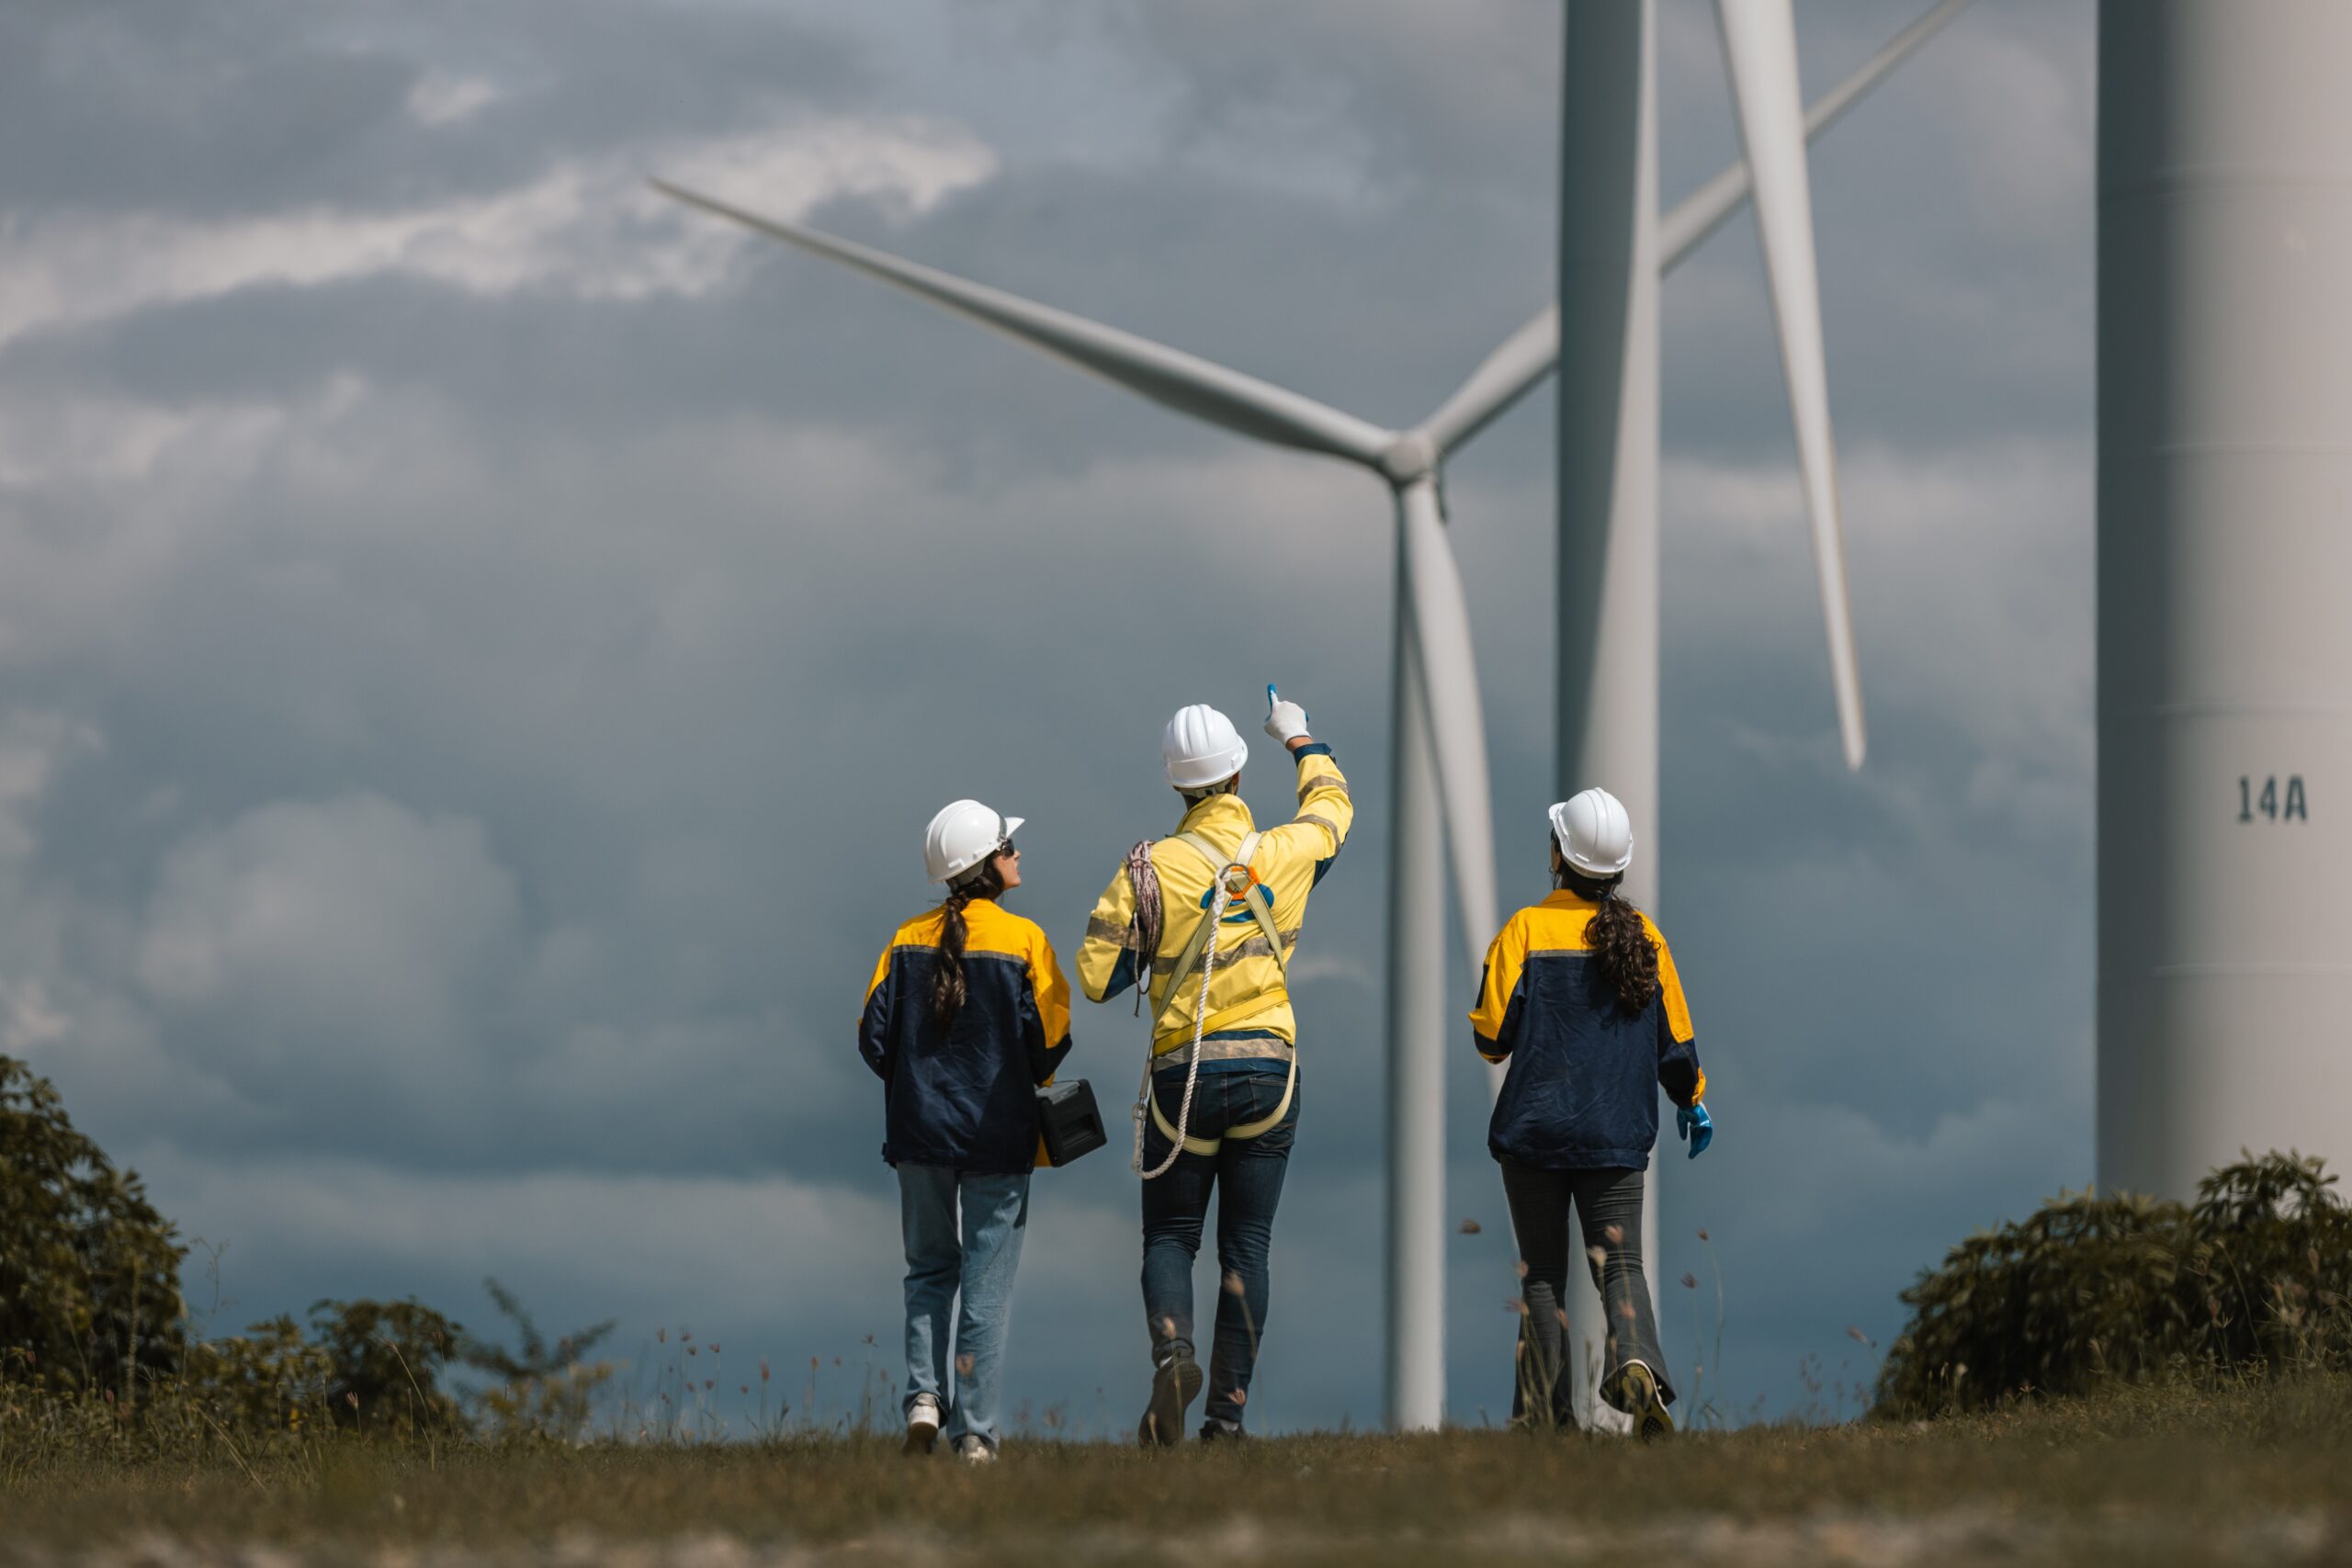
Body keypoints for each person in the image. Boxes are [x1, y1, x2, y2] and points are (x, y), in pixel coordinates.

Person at [1075, 689, 1351, 1446]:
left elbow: (1097, 976)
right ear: (1236, 777)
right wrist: (1298, 737)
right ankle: (1226, 1418)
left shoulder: (1149, 867)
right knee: (1248, 1246)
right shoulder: (1282, 853)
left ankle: (1174, 1353)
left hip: (1182, 1072)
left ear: (1177, 784)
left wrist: (1154, 943)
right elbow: (1334, 812)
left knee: (1170, 1237)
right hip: (1269, 1065)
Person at [1469, 787, 1712, 1439]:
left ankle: (1547, 1419)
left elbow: (1491, 1036)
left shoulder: (1524, 929)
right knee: (1622, 1263)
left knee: (1543, 1273)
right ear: (1619, 866)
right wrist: (1692, 1098)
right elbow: (1677, 1043)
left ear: (1558, 853)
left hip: (1535, 1134)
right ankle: (1636, 1361)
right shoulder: (1646, 938)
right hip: (1615, 1133)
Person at [859, 799, 1071, 1464]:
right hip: (998, 1137)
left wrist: (920, 1082)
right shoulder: (1025, 940)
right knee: (986, 1286)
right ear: (986, 863)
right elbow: (1052, 1043)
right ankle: (974, 1433)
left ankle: (925, 1397)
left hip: (917, 1131)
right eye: (1009, 845)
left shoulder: (903, 938)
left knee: (927, 1271)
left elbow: (872, 1039)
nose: (1017, 853)